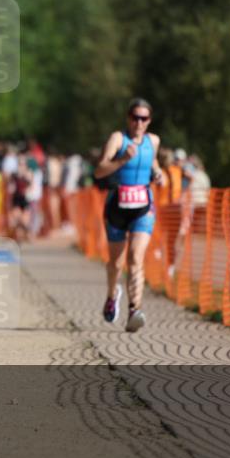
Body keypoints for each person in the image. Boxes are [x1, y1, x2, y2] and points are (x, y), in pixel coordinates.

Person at [93, 97, 164, 333]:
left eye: (144, 118)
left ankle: (135, 309)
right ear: (128, 118)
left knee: (136, 258)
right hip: (117, 206)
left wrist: (158, 173)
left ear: (149, 121)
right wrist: (122, 159)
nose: (139, 123)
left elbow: (153, 162)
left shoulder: (153, 141)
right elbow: (100, 169)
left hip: (143, 206)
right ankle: (112, 295)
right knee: (116, 262)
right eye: (135, 117)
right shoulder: (118, 139)